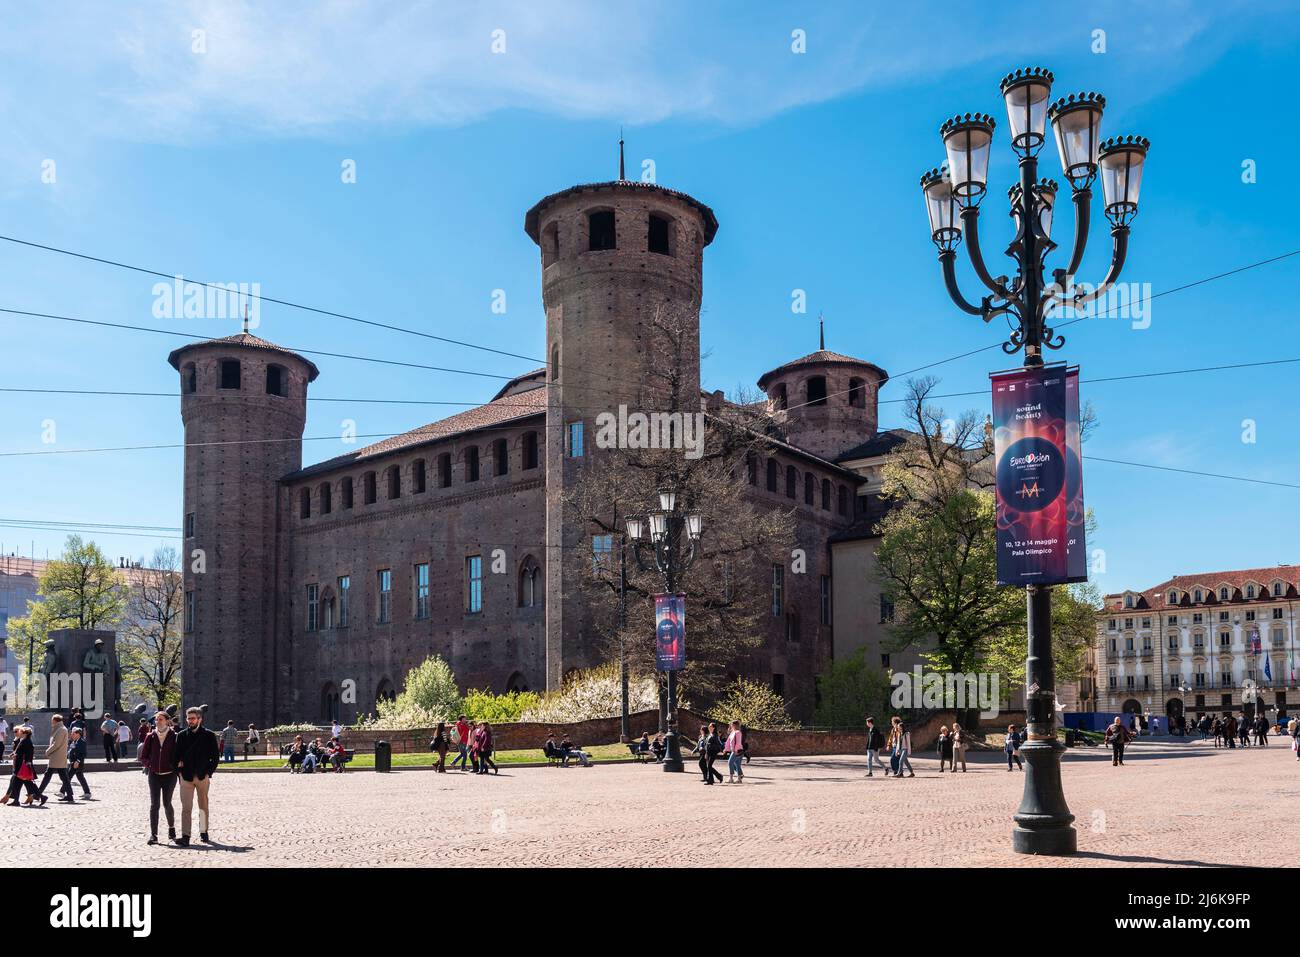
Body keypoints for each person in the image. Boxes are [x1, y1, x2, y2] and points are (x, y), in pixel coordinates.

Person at [174, 706, 220, 846]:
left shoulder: (209, 735)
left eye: (193, 718)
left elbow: (215, 757)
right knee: (186, 808)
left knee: (203, 806)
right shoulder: (181, 735)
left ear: (200, 719)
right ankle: (185, 836)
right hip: (186, 777)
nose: (190, 721)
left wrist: (208, 773)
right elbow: (175, 756)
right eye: (188, 718)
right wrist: (179, 773)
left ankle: (203, 832)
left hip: (202, 777)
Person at [140, 711, 178, 844]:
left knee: (167, 803)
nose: (158, 722)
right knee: (154, 805)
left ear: (167, 721)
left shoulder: (174, 736)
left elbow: (178, 755)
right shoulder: (150, 736)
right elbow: (143, 756)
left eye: (160, 719)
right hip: (154, 775)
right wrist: (150, 764)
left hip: (170, 775)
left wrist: (174, 766)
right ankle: (154, 835)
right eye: (156, 720)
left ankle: (171, 828)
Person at [35, 713, 74, 805]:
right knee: (64, 778)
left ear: (55, 720)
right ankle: (70, 796)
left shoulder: (61, 729)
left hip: (57, 757)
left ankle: (38, 794)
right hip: (58, 757)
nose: (51, 722)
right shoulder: (60, 729)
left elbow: (56, 744)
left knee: (48, 776)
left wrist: (48, 751)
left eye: (52, 720)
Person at [2, 726, 40, 806]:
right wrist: (14, 755)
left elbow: (26, 752)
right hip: (19, 765)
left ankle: (10, 798)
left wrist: (27, 761)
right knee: (22, 783)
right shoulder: (19, 740)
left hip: (22, 766)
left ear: (24, 733)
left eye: (17, 731)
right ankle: (31, 797)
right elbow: (17, 751)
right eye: (15, 731)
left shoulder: (24, 741)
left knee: (17, 782)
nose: (16, 733)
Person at [67, 727, 91, 799]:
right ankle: (87, 793)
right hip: (73, 762)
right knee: (80, 777)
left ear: (78, 734)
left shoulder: (81, 742)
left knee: (68, 777)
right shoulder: (74, 741)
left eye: (73, 733)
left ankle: (62, 792)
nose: (72, 734)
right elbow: (71, 751)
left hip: (76, 763)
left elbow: (83, 754)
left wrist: (77, 761)